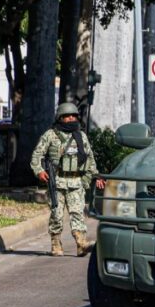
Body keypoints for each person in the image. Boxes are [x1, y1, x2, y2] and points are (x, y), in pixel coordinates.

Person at [30, 103, 106, 256]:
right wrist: (39, 171)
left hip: (76, 182)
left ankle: (81, 243)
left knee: (77, 213)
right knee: (56, 216)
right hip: (56, 182)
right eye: (67, 116)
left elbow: (89, 158)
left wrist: (96, 175)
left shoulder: (81, 136)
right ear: (60, 118)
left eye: (73, 115)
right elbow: (36, 156)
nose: (71, 118)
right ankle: (56, 244)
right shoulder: (50, 135)